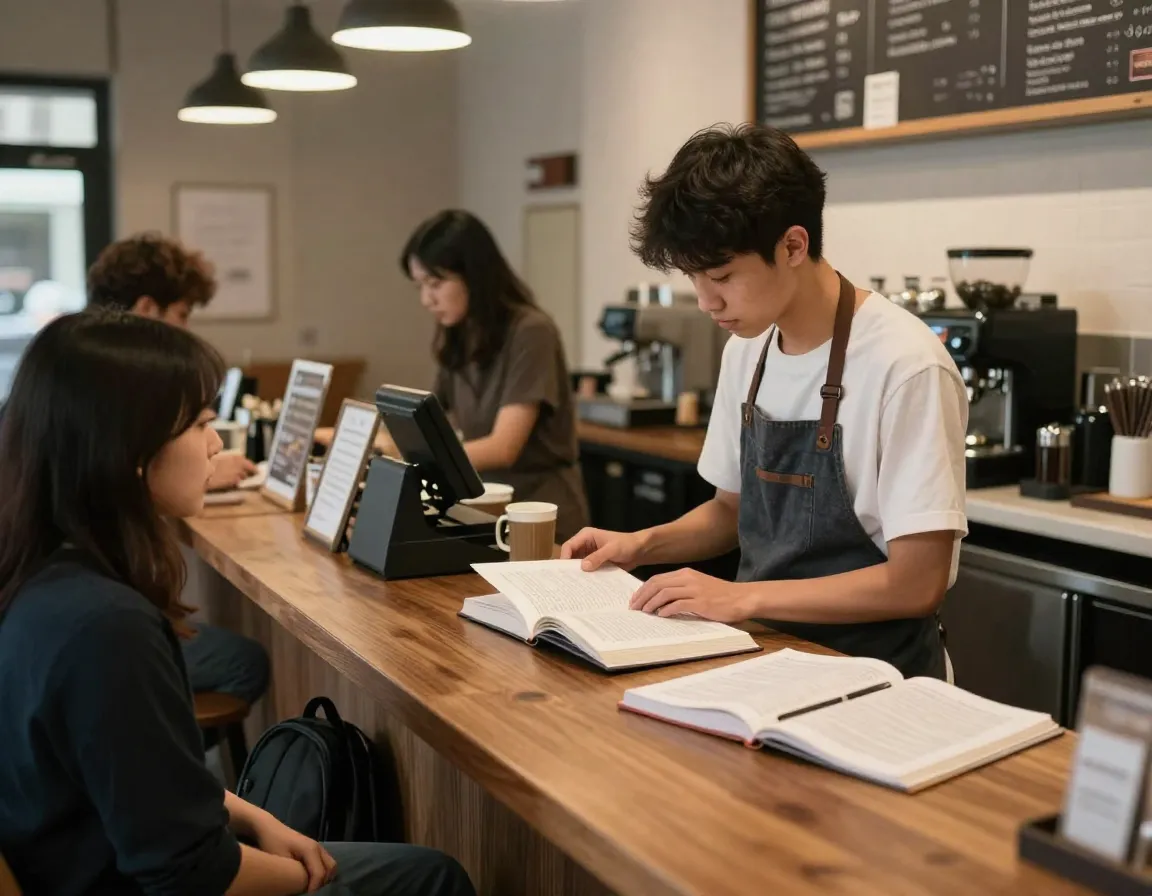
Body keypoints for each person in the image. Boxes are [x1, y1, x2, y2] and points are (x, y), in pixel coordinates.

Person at [0, 309, 476, 896]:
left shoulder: (39, 572)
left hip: (74, 853)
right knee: (431, 876)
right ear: (133, 451)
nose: (215, 441)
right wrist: (310, 879)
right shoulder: (108, 629)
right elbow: (190, 874)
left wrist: (254, 817)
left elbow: (148, 776)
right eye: (199, 423)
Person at [562, 124, 968, 679]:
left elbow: (916, 583)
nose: (706, 301)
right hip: (767, 661)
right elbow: (731, 511)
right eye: (693, 278)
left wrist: (743, 599)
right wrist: (639, 545)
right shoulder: (746, 352)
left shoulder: (906, 364)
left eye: (722, 276)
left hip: (878, 675)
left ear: (793, 245)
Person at [86, 231, 269, 708]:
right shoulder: (113, 387)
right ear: (148, 308)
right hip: (100, 644)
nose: (211, 441)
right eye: (182, 316)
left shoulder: (76, 370)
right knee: (245, 662)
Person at [402, 210, 589, 542]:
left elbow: (504, 447)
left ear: (474, 275)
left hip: (539, 518)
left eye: (436, 283)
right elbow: (431, 422)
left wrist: (413, 457)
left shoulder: (531, 331)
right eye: (420, 286)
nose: (426, 300)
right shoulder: (460, 333)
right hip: (485, 510)